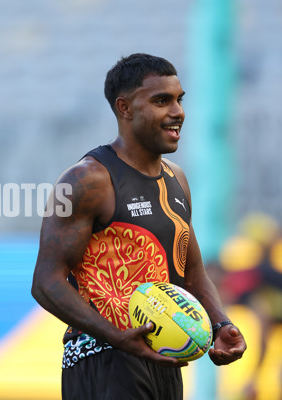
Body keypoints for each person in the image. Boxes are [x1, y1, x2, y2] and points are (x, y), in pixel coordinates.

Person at [31, 53, 246, 399]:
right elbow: (45, 282)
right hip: (103, 359)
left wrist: (220, 323)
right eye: (162, 101)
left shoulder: (178, 179)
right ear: (125, 108)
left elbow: (192, 274)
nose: (177, 112)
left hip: (163, 361)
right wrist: (114, 335)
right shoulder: (85, 180)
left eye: (179, 99)